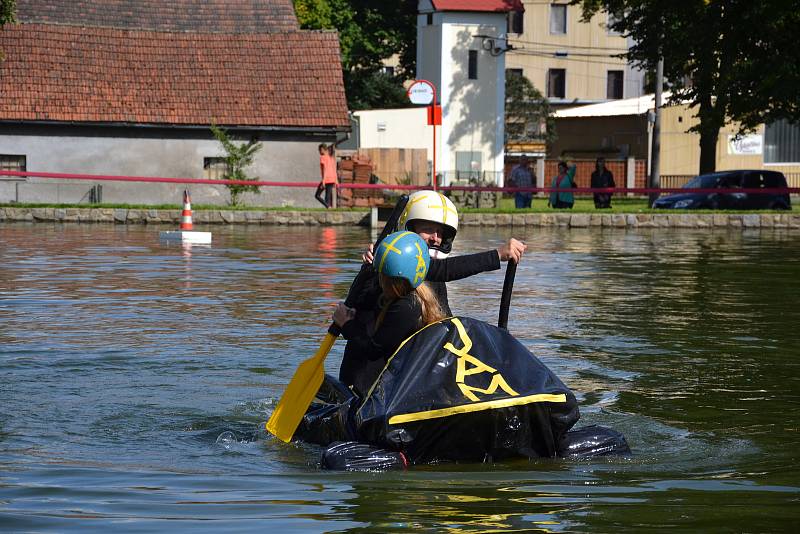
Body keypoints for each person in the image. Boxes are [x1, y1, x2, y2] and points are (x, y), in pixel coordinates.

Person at [340, 190, 526, 393]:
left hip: (414, 378)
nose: (436, 239)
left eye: (441, 233)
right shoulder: (382, 274)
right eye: (428, 230)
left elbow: (444, 272)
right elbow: (363, 330)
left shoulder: (429, 275)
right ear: (408, 227)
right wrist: (497, 254)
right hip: (370, 385)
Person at [333, 231, 445, 396]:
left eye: (382, 275)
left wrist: (346, 324)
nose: (379, 279)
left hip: (409, 384)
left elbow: (373, 350)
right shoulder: (413, 292)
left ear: (393, 280)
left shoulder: (407, 306)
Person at [315, 144, 330, 208]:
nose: (319, 152)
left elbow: (325, 169)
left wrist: (323, 181)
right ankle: (329, 209)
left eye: (320, 150)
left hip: (326, 179)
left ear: (323, 149)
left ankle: (328, 207)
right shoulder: (329, 157)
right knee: (327, 196)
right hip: (331, 179)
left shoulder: (323, 157)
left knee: (317, 195)